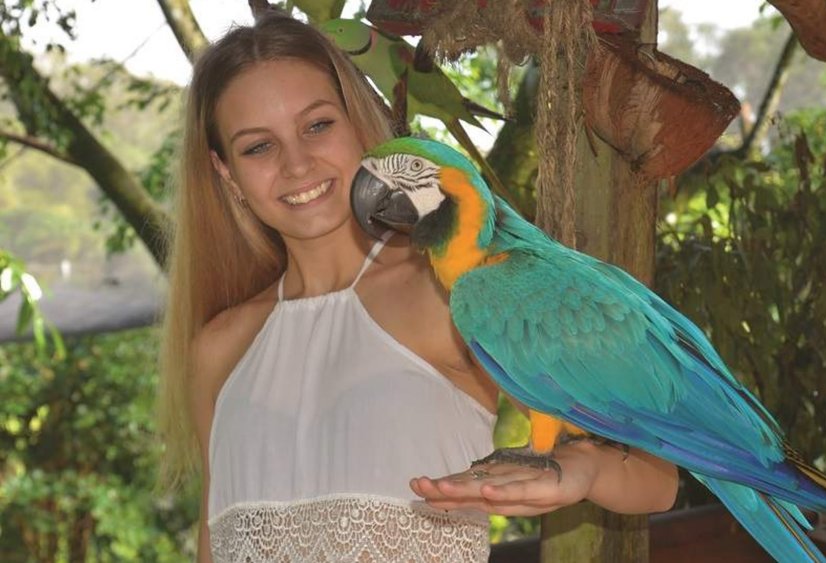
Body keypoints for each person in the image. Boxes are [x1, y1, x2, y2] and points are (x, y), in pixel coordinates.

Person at [157, 12, 679, 563]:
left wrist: (580, 470)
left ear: (358, 123)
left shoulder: (455, 291)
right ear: (225, 174)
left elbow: (657, 477)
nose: (297, 163)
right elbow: (213, 543)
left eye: (317, 126)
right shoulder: (218, 349)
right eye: (258, 147)